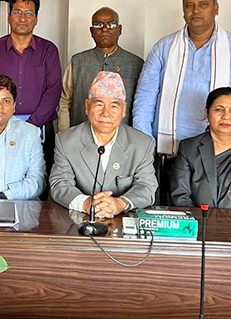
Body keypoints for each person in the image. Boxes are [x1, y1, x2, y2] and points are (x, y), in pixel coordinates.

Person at [134, 0, 231, 159]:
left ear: (216, 9)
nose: (196, 10)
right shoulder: (163, 48)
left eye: (203, 4)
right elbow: (144, 99)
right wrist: (145, 144)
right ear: (183, 11)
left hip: (223, 155)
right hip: (167, 151)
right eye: (189, 5)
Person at [50, 71, 157, 218]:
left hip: (124, 221)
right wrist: (86, 203)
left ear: (124, 110)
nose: (106, 113)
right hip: (79, 221)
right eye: (99, 104)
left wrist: (120, 204)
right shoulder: (66, 141)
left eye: (114, 106)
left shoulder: (143, 144)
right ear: (87, 106)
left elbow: (147, 186)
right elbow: (59, 183)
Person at [0, 0, 62, 132]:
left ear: (36, 19)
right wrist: (2, 123)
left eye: (29, 13)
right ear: (9, 17)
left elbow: (53, 91)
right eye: (17, 12)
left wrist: (31, 125)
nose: (23, 18)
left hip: (39, 127)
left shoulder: (48, 50)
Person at [58, 7, 143, 133]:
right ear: (91, 31)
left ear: (120, 30)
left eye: (111, 24)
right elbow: (65, 101)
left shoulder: (136, 64)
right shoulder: (77, 61)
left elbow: (142, 106)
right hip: (80, 136)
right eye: (98, 25)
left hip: (123, 138)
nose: (104, 29)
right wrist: (64, 134)